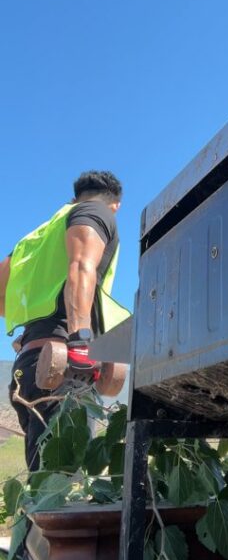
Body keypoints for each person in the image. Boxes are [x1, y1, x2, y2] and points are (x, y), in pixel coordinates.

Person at [0, 170, 130, 472]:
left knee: (45, 479)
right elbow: (81, 266)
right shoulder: (96, 212)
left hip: (31, 365)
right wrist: (81, 339)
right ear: (116, 205)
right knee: (65, 486)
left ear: (73, 197)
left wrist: (34, 325)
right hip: (66, 366)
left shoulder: (34, 240)